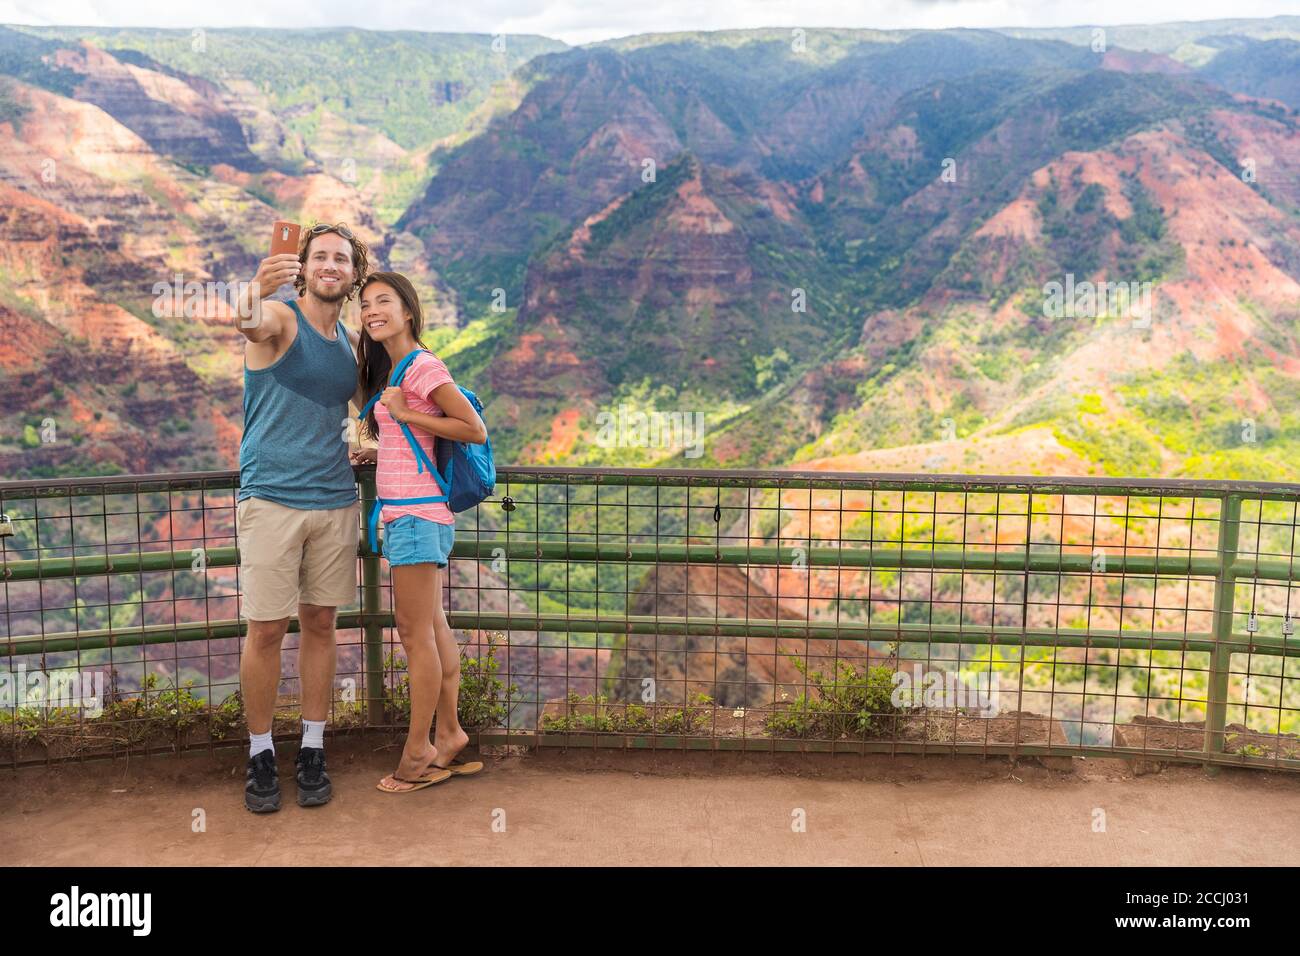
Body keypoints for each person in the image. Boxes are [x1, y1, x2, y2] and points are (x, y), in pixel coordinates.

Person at [234, 222, 372, 812]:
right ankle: (260, 753)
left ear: (352, 273)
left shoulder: (347, 344)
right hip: (270, 499)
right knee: (266, 629)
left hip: (335, 499)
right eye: (320, 256)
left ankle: (312, 746)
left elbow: (360, 410)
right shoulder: (281, 318)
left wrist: (363, 445)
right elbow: (247, 322)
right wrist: (252, 291)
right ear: (303, 266)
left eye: (341, 259)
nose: (330, 266)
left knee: (320, 626)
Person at [350, 271, 488, 793]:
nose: (371, 311)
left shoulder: (423, 367)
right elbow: (416, 443)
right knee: (432, 629)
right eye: (365, 305)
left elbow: (473, 427)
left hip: (415, 520)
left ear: (408, 311)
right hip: (414, 514)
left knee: (414, 637)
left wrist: (405, 411)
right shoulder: (397, 367)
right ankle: (449, 733)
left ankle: (418, 750)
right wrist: (378, 449)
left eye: (383, 301)